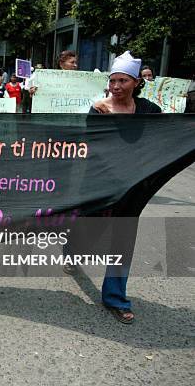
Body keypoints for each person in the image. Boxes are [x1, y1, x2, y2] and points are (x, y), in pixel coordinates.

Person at [90, 51, 162, 324]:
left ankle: (115, 298)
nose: (117, 86)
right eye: (113, 81)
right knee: (89, 231)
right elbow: (91, 147)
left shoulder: (149, 111)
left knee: (122, 240)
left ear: (135, 82)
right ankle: (73, 250)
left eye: (123, 81)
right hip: (100, 186)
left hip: (132, 188)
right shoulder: (98, 109)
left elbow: (160, 144)